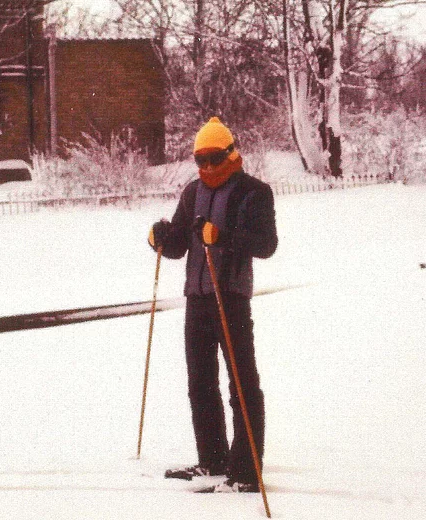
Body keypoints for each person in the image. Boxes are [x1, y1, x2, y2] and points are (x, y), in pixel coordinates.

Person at [147, 117, 278, 493]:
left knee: (242, 385)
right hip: (198, 299)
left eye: (213, 159)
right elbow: (177, 246)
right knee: (200, 383)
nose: (206, 167)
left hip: (232, 298)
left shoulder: (254, 192)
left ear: (231, 154)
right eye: (199, 160)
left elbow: (266, 244)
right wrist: (161, 237)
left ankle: (247, 471)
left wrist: (222, 237)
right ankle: (213, 459)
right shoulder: (192, 193)